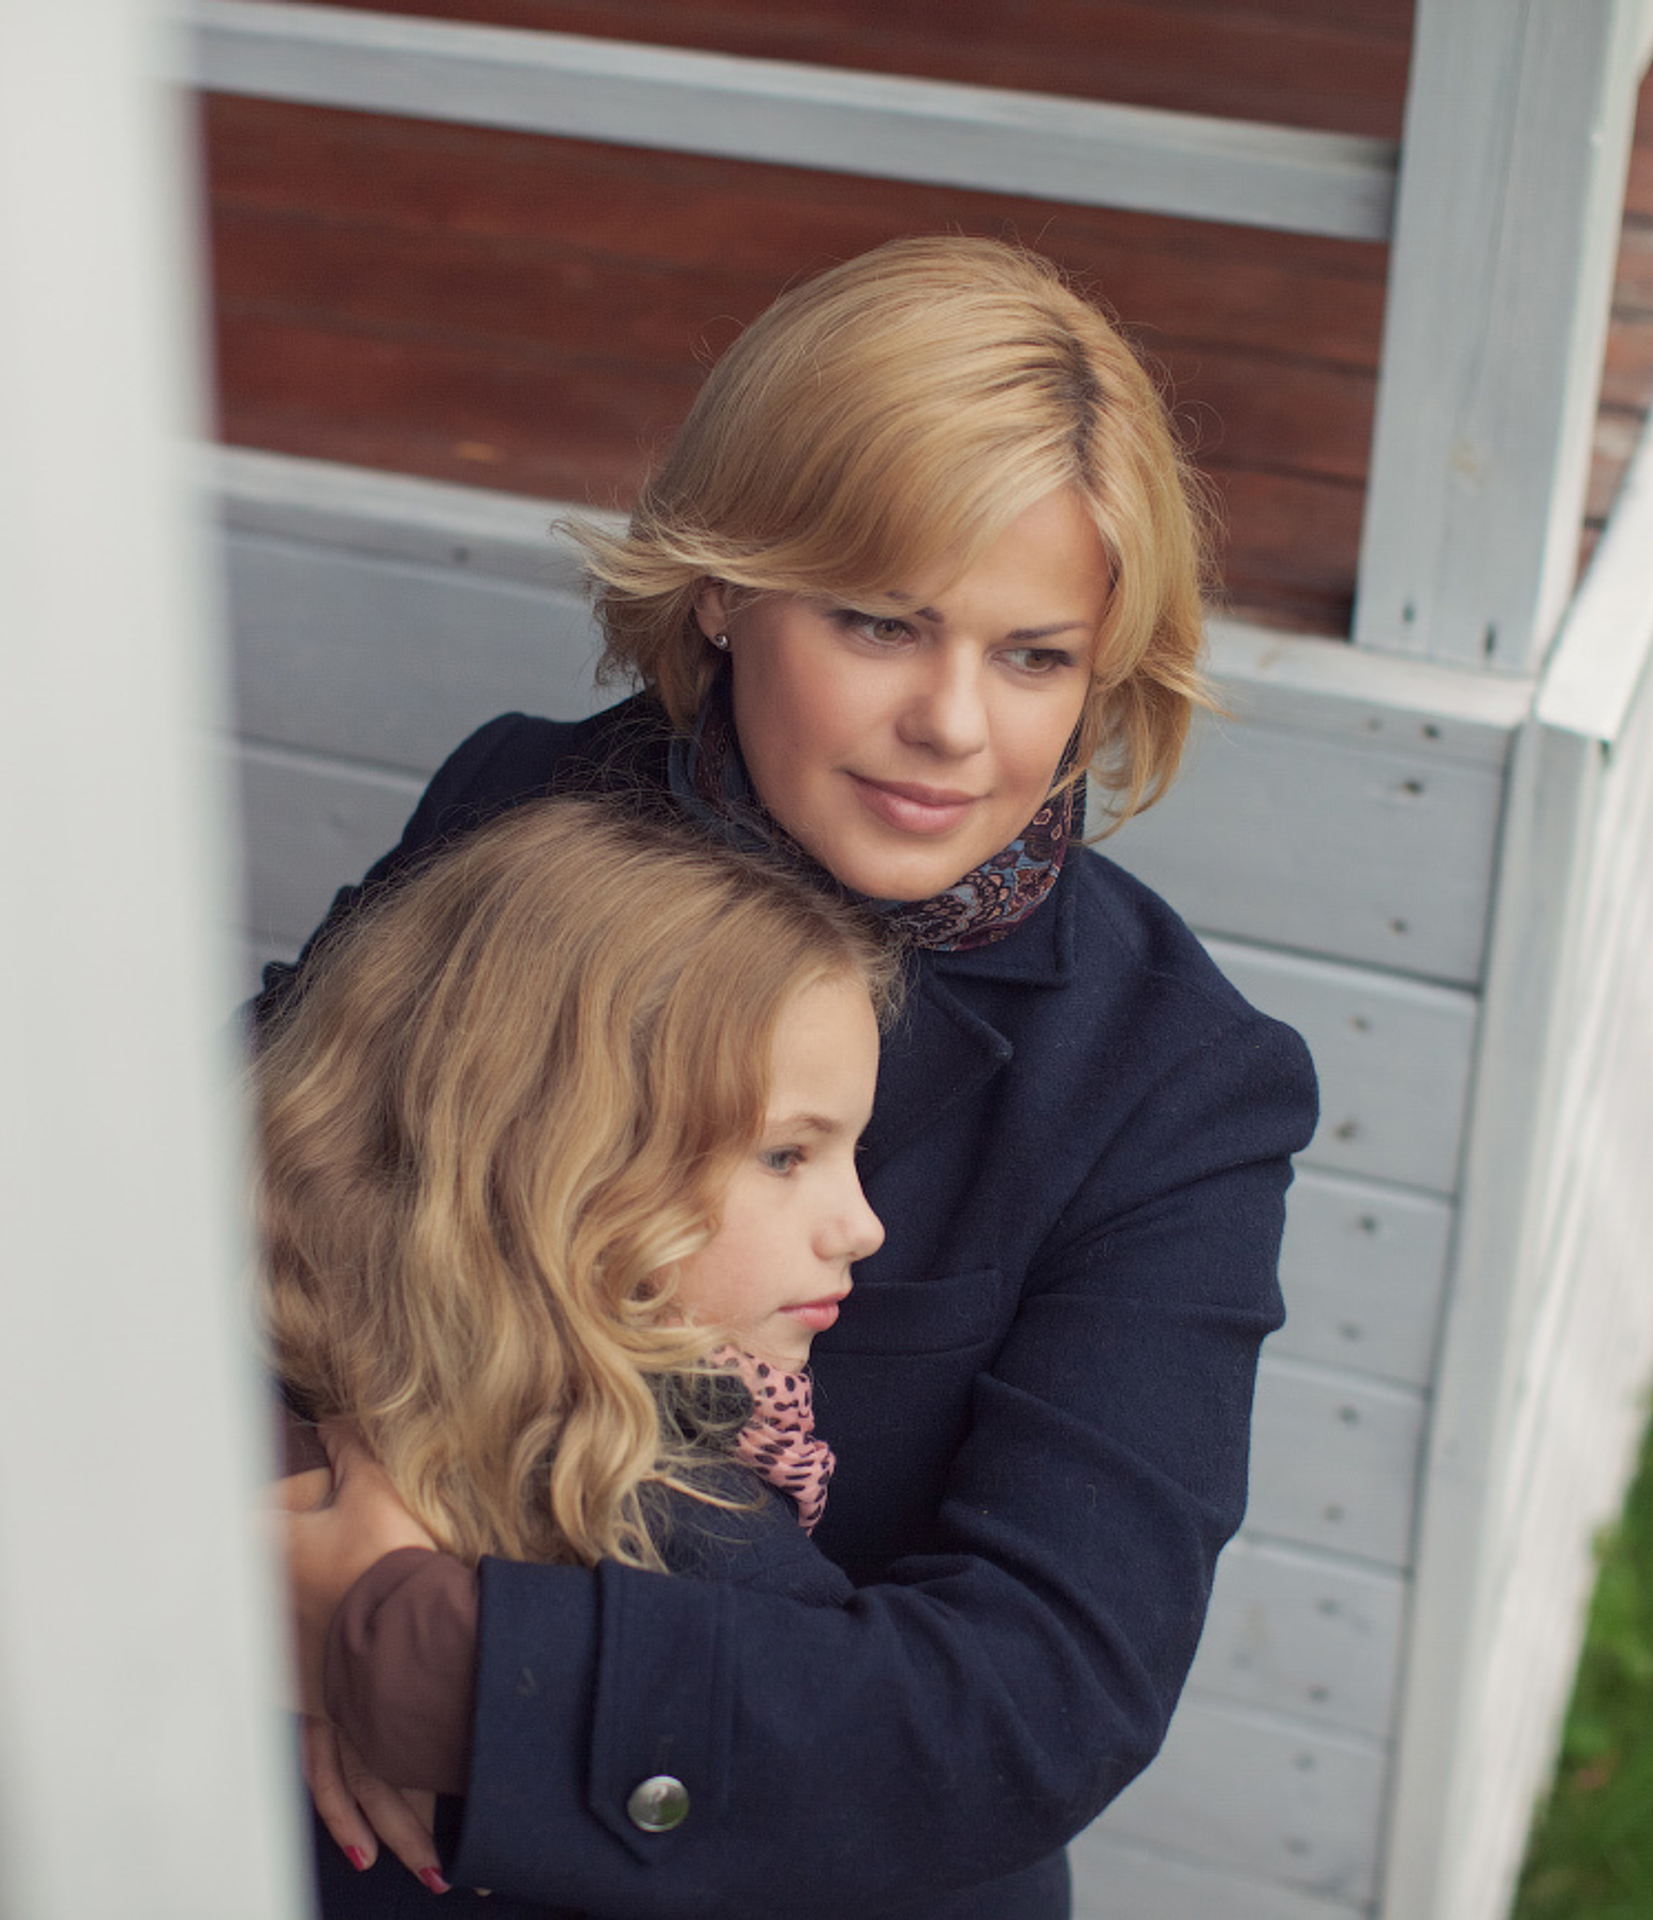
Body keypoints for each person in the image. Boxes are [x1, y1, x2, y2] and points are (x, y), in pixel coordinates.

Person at [264, 235, 1320, 1918]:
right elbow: (250, 1198)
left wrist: (440, 1659)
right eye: (883, 623)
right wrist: (291, 1538)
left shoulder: (1173, 1084)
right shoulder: (521, 813)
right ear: (725, 584)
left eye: (1036, 655)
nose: (957, 726)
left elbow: (1037, 1703)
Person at [258, 797, 896, 1915]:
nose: (862, 1225)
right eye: (788, 1155)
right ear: (561, 1158)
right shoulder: (689, 1527)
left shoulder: (307, 1422)